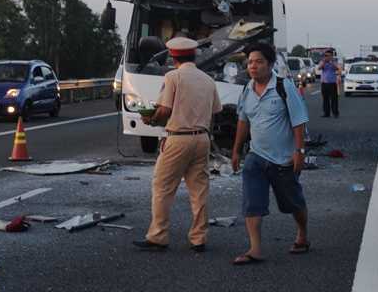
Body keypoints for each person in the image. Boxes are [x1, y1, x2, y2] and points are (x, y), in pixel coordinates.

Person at [133, 37, 222, 252]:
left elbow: (164, 110)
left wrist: (151, 119)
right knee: (199, 190)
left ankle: (158, 235)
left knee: (162, 187)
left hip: (178, 137)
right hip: (202, 138)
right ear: (194, 56)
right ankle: (199, 238)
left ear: (173, 59)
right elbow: (214, 113)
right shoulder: (208, 80)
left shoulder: (172, 77)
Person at [230, 42, 310, 265]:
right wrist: (236, 151)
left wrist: (299, 152)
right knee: (252, 201)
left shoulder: (285, 88)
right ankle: (255, 249)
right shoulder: (247, 89)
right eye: (249, 63)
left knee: (293, 202)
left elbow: (299, 121)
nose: (253, 67)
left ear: (271, 64)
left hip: (284, 158)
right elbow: (243, 121)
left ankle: (302, 232)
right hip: (256, 156)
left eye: (258, 62)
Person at [317, 50, 339, 117]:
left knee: (334, 98)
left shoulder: (334, 62)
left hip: (332, 82)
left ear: (332, 56)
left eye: (329, 55)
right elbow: (319, 68)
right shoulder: (322, 62)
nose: (328, 57)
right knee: (325, 98)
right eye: (327, 55)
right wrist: (324, 62)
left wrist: (329, 62)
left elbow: (336, 68)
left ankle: (335, 113)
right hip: (324, 82)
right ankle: (326, 112)